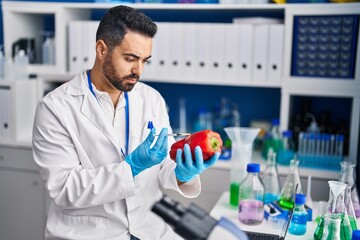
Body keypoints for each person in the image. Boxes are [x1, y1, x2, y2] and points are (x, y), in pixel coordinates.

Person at [32, 5, 220, 240]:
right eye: (130, 58)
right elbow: (64, 190)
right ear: (102, 49)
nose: (138, 70)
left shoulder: (151, 99)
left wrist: (184, 173)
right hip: (87, 234)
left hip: (149, 229)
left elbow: (163, 169)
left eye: (144, 60)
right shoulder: (55, 108)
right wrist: (130, 168)